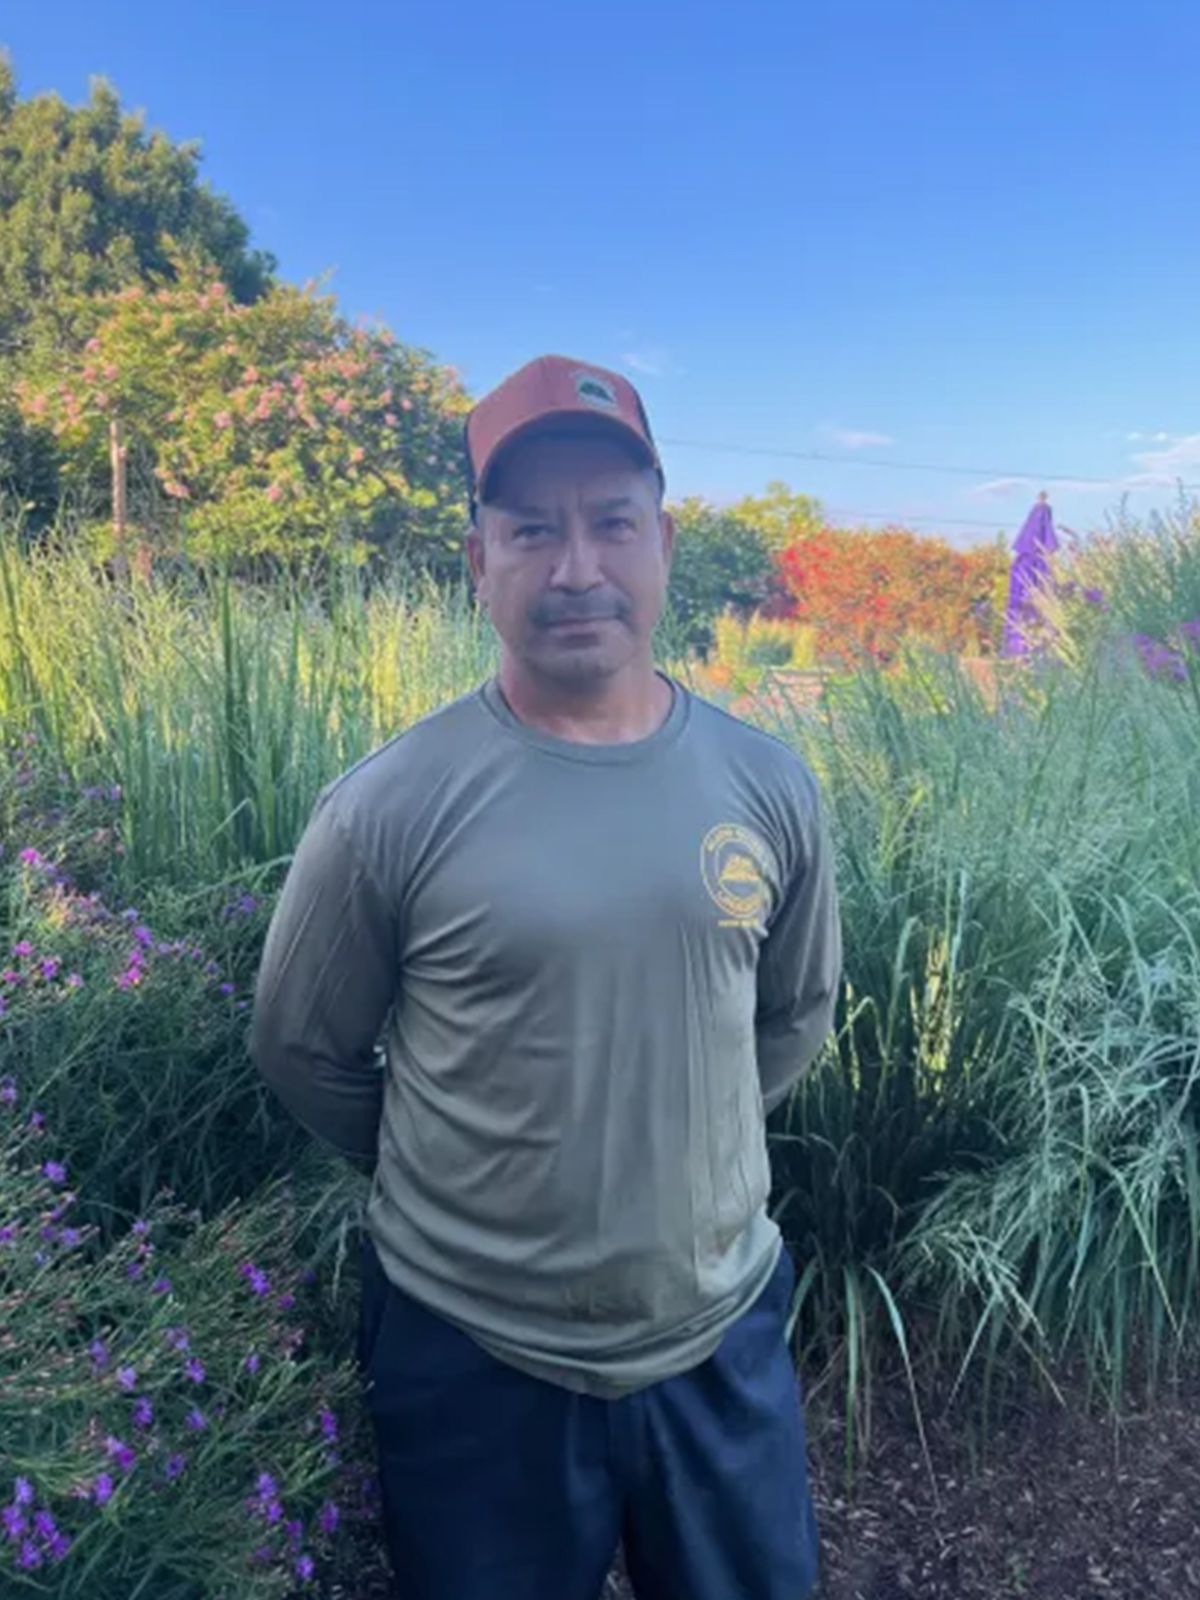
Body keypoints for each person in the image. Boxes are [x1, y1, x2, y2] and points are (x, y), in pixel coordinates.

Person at [251, 353, 843, 1600]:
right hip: (474, 1355)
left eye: (612, 523)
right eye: (532, 530)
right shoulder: (387, 806)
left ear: (663, 544)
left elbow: (795, 1013)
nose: (577, 568)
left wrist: (678, 1147)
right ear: (480, 562)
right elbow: (301, 1047)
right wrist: (462, 1176)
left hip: (719, 1336)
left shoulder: (769, 785)